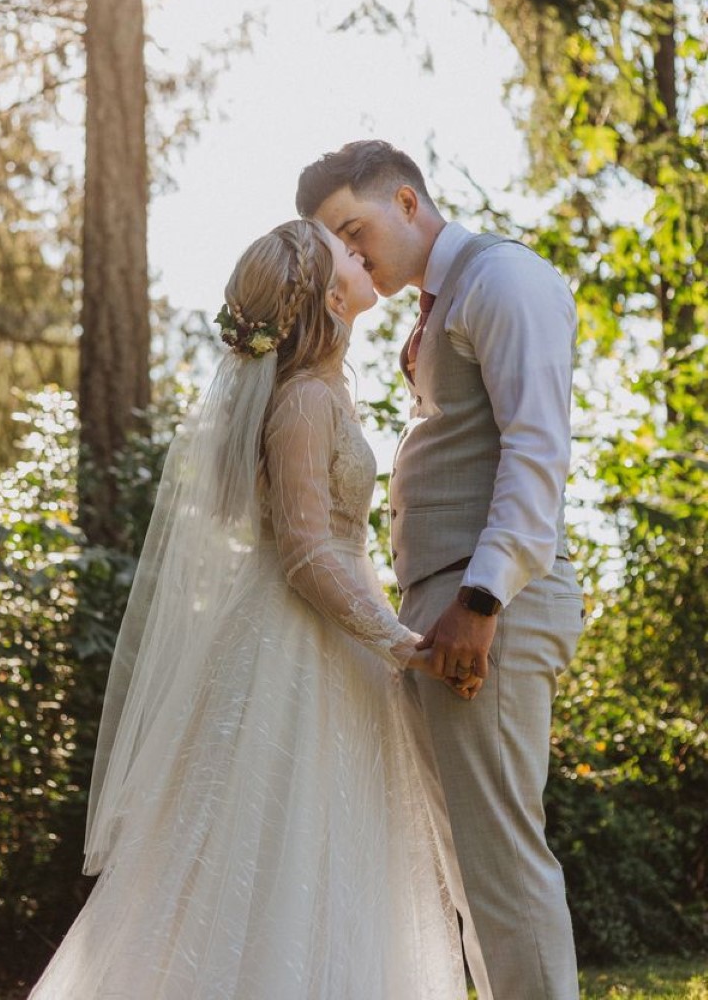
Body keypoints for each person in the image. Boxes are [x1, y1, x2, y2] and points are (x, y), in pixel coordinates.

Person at [27, 218, 469, 1000]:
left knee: (336, 856)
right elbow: (303, 554)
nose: (360, 254)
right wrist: (401, 643)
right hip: (294, 648)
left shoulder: (327, 391)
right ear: (329, 296)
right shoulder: (301, 402)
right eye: (346, 255)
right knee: (279, 852)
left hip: (337, 644)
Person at [296, 142, 585, 1000]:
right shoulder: (441, 302)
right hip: (447, 605)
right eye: (337, 247)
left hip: (488, 601)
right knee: (467, 862)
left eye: (358, 230)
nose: (354, 257)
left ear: (409, 202)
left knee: (500, 860)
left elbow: (537, 451)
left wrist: (482, 597)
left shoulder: (503, 279)